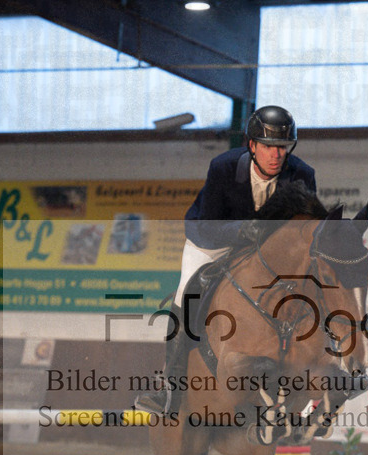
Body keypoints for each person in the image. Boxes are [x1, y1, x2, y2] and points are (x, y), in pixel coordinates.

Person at [135, 105, 317, 415]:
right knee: (187, 295)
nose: (276, 155)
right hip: (212, 241)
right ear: (252, 146)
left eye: (283, 148)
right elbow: (208, 225)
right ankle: (169, 387)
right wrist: (247, 229)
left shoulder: (302, 175)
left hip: (265, 250)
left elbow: (305, 230)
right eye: (269, 147)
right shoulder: (222, 167)